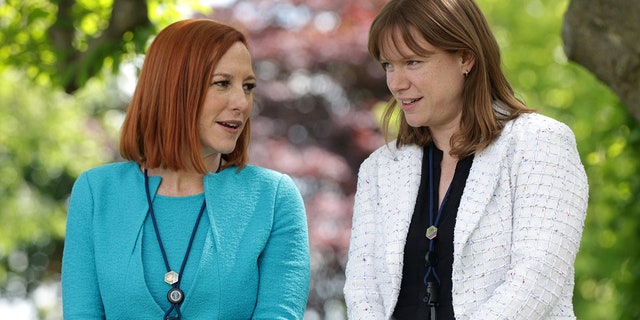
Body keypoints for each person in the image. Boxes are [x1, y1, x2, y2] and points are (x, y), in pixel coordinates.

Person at [343, 0, 588, 319]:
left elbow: (536, 281)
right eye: (388, 65)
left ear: (465, 57)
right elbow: (362, 289)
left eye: (413, 62)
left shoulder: (538, 143)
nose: (396, 83)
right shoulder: (379, 169)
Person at [61, 19, 310, 320]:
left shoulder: (273, 198)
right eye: (222, 83)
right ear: (173, 88)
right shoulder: (96, 192)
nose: (242, 103)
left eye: (248, 87)